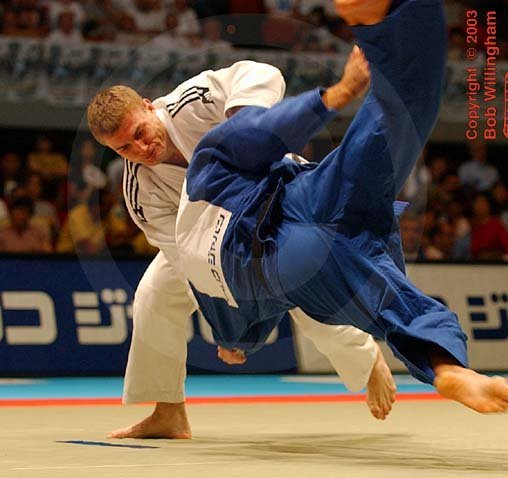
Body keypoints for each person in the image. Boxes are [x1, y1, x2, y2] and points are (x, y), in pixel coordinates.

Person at [170, 0, 508, 413]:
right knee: (396, 115)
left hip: (293, 246)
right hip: (297, 216)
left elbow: (239, 311)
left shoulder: (196, 250)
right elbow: (259, 132)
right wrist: (336, 95)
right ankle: (397, 13)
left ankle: (447, 367)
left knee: (389, 303)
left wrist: (235, 344)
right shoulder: (209, 160)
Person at [88, 59, 395, 438]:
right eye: (124, 148)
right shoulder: (141, 193)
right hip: (216, 243)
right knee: (155, 294)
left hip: (280, 200)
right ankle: (168, 412)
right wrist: (230, 328)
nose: (140, 148)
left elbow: (263, 73)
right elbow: (188, 263)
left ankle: (366, 359)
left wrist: (245, 121)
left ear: (150, 107)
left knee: (304, 291)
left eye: (139, 132)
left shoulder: (192, 103)